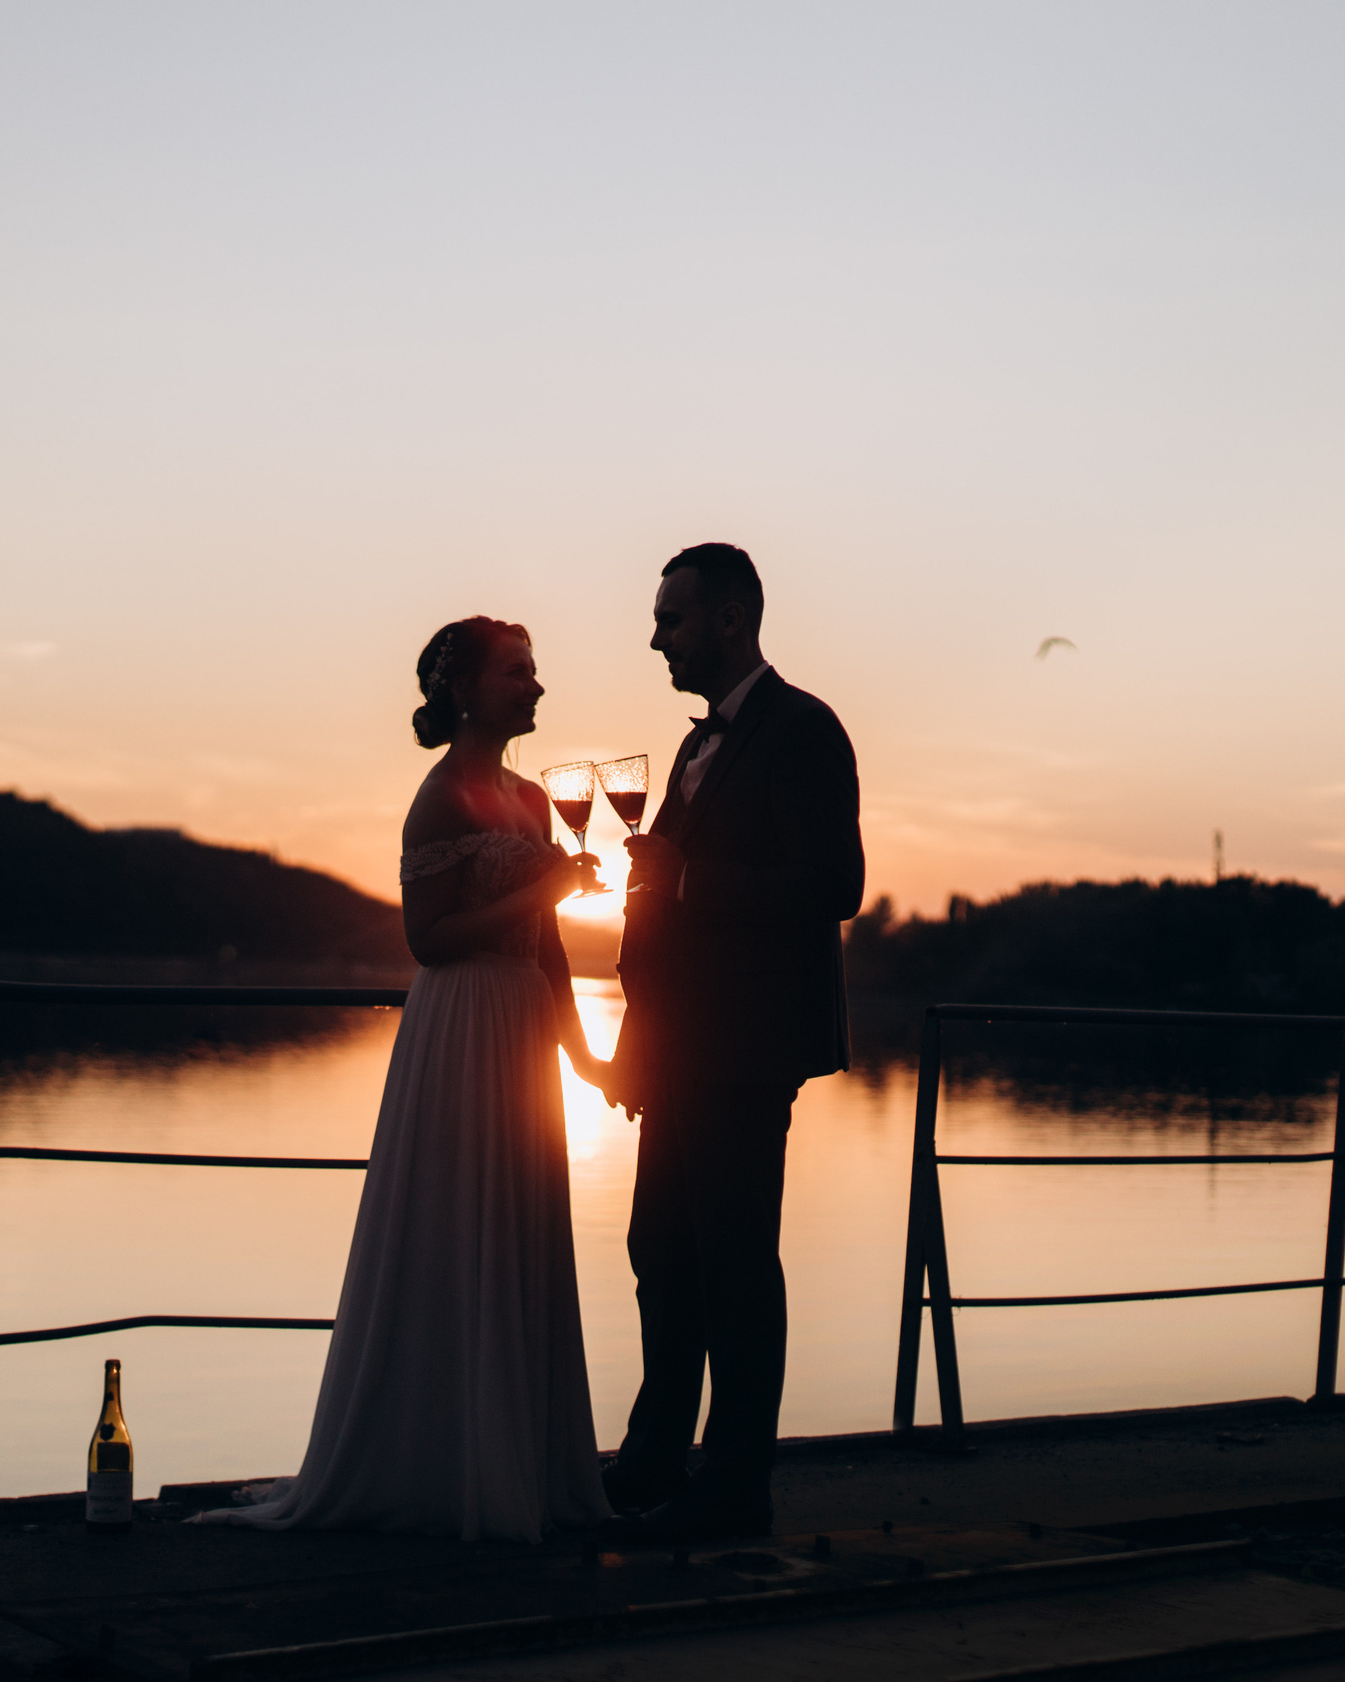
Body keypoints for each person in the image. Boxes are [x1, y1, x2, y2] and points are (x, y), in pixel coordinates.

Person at [192, 616, 615, 1543]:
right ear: (467, 688)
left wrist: (584, 1056)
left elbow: (545, 944)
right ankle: (438, 1461)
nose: (537, 687)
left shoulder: (528, 800)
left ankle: (517, 1462)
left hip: (521, 1037)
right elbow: (428, 939)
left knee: (516, 1230)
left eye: (536, 672)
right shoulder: (442, 798)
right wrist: (546, 890)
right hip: (462, 1028)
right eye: (519, 672)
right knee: (454, 1226)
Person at [601, 543, 864, 1545]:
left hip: (746, 1045)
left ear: (729, 617)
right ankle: (654, 1459)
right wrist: (632, 1034)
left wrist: (685, 883)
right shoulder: (694, 746)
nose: (655, 636)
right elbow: (654, 891)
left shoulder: (803, 731)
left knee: (735, 1260)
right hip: (674, 1045)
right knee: (660, 1250)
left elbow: (834, 885)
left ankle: (736, 1483)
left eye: (670, 617)